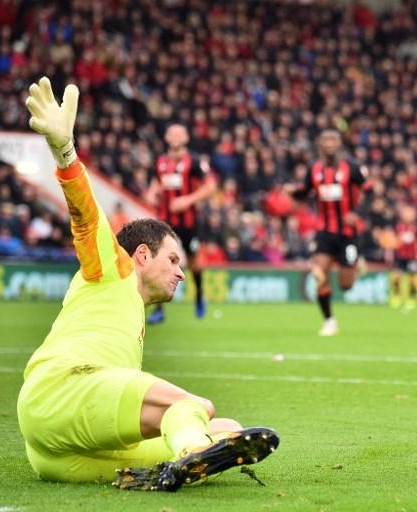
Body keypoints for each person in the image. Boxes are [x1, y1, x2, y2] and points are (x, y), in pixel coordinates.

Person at [18, 77, 278, 492]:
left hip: (57, 455)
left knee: (227, 426)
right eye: (172, 259)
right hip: (62, 392)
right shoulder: (111, 268)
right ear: (141, 255)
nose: (179, 272)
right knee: (195, 407)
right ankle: (191, 453)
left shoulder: (130, 308)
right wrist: (65, 152)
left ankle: (182, 458)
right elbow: (85, 216)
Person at [290, 129, 368, 336]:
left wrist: (357, 212)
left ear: (340, 143)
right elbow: (304, 193)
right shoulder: (313, 169)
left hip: (348, 234)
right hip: (324, 232)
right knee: (318, 274)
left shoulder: (352, 168)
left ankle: (355, 265)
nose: (330, 143)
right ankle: (329, 321)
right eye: (326, 140)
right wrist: (292, 192)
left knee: (345, 285)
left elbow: (370, 191)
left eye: (333, 139)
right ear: (319, 145)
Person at [145, 123, 217, 323]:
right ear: (167, 137)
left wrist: (188, 200)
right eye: (172, 133)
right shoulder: (160, 161)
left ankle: (199, 295)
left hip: (189, 222)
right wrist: (151, 194)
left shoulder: (194, 162)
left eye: (180, 133)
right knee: (159, 260)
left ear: (186, 138)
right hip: (164, 221)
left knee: (194, 262)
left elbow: (211, 187)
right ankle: (158, 309)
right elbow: (155, 184)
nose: (176, 136)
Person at [387, 205, 417, 311]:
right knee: (396, 277)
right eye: (406, 213)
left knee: (413, 279)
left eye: (410, 213)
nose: (408, 215)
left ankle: (411, 299)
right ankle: (396, 296)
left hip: (412, 257)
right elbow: (392, 240)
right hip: (399, 256)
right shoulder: (397, 227)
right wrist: (389, 252)